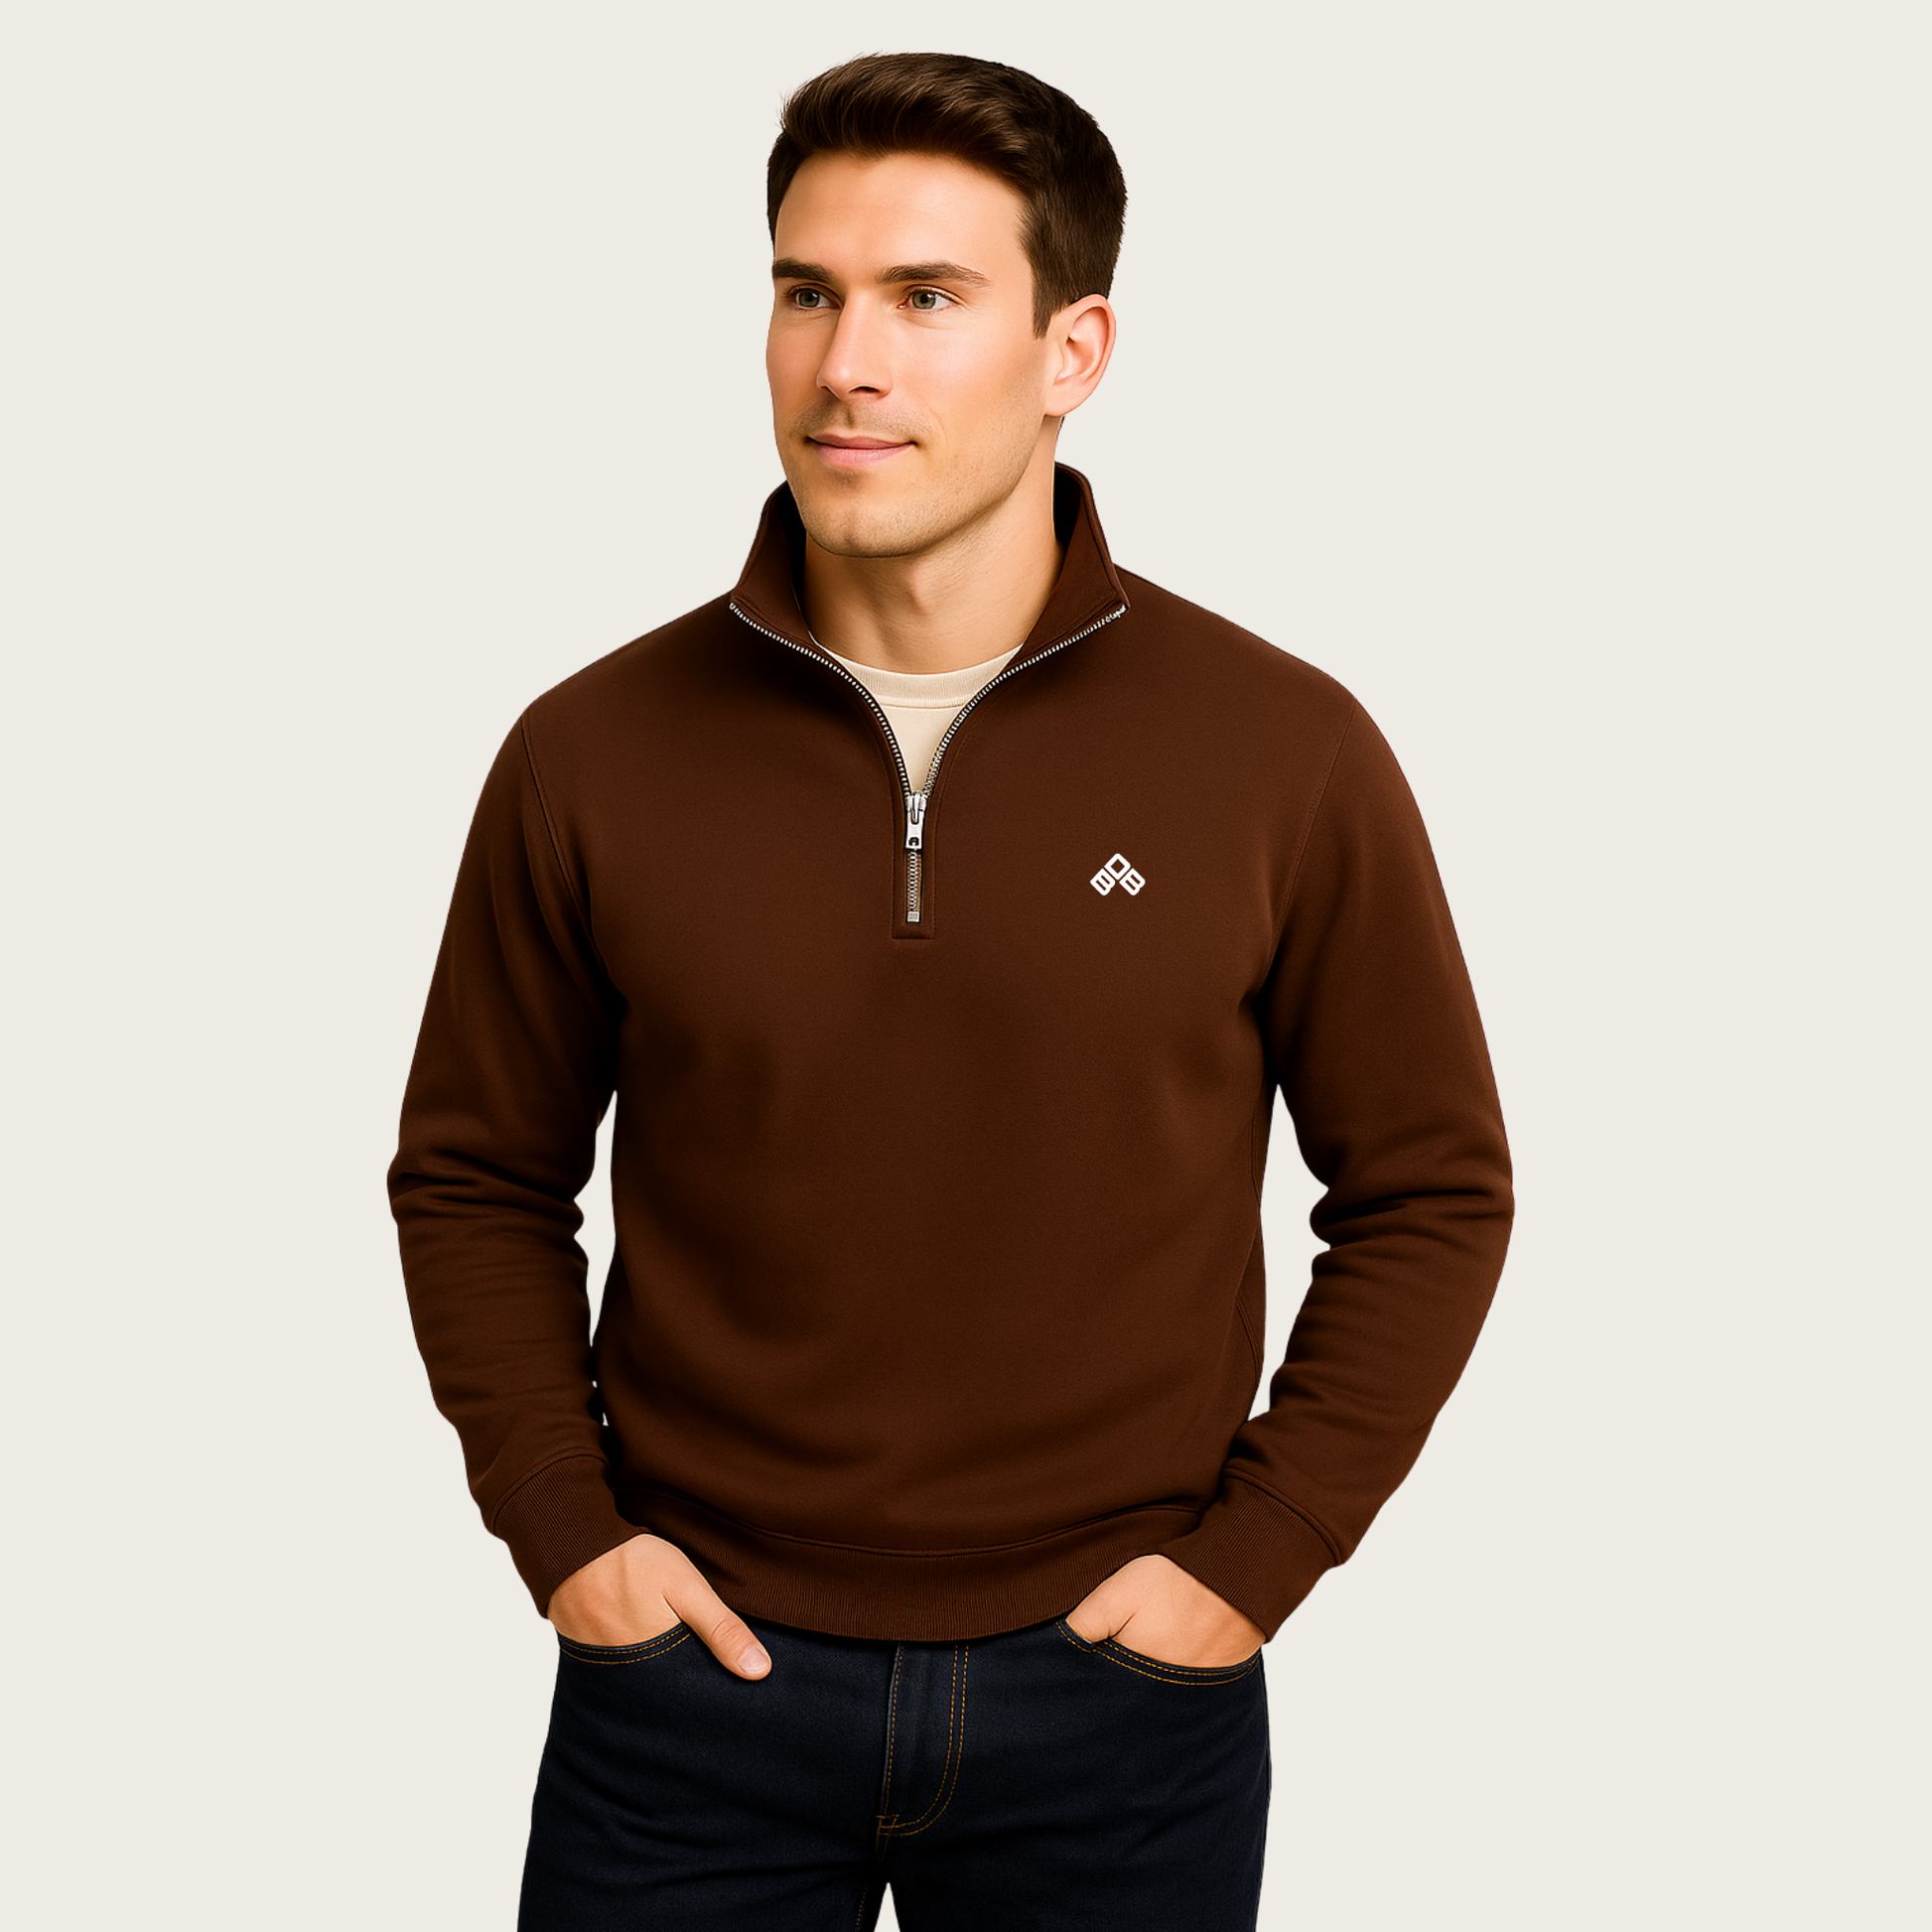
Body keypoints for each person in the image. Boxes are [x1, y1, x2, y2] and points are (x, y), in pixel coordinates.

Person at [389, 50, 1513, 1931]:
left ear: (1073, 349)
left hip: (1118, 1696)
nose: (846, 362)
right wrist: (568, 1535)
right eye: (804, 291)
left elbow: (1429, 1185)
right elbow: (475, 1175)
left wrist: (1255, 1557)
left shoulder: (1279, 750)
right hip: (689, 1687)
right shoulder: (590, 750)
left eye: (925, 296)